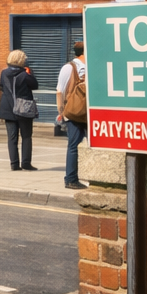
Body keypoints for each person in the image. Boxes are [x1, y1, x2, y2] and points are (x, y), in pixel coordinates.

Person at [0, 49, 40, 172]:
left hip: (8, 108)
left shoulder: (4, 73)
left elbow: (1, 86)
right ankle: (26, 163)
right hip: (23, 108)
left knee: (12, 138)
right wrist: (30, 73)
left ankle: (14, 164)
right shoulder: (24, 75)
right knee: (26, 136)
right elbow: (35, 85)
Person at [58, 41, 89, 190]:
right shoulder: (70, 67)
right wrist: (61, 112)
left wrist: (61, 111)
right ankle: (71, 179)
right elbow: (60, 91)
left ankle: (79, 178)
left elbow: (60, 91)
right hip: (78, 112)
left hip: (82, 112)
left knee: (79, 146)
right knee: (75, 145)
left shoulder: (71, 67)